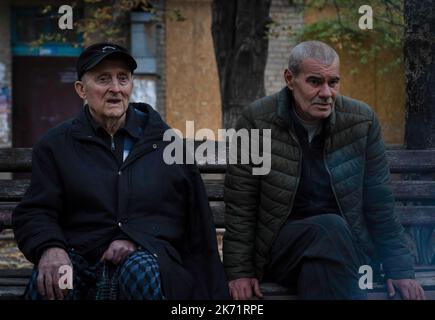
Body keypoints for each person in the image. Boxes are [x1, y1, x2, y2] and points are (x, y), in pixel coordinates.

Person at [12, 42, 229, 300]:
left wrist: (138, 240)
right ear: (81, 89)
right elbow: (37, 209)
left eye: (122, 79)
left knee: (141, 273)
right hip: (81, 255)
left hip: (149, 256)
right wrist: (50, 247)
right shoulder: (56, 145)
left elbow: (186, 216)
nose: (115, 89)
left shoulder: (166, 143)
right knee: (54, 281)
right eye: (103, 79)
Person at [223, 40, 426, 300]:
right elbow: (242, 203)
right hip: (282, 249)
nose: (327, 93)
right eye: (315, 81)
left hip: (348, 249)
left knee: (322, 262)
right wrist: (239, 271)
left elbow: (379, 202)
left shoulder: (361, 121)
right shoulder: (256, 121)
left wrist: (400, 269)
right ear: (289, 78)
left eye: (333, 82)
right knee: (330, 228)